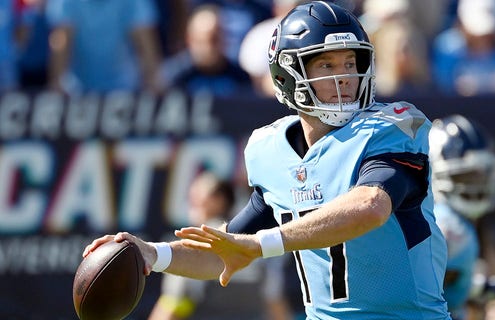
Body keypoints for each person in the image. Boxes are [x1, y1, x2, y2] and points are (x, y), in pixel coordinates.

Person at [83, 2, 451, 319]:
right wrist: (152, 254)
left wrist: (263, 244)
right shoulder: (271, 149)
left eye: (351, 63)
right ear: (287, 75)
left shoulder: (392, 127)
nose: (344, 79)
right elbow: (226, 250)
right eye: (326, 66)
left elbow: (371, 206)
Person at [148, 172, 267, 320]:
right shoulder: (256, 239)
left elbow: (174, 303)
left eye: (198, 194)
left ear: (219, 200)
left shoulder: (197, 242)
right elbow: (273, 299)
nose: (192, 199)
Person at [428, 114, 495, 319]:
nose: (475, 184)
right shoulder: (444, 225)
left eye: (480, 175)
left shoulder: (477, 229)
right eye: (465, 175)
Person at [46, 0, 163, 94]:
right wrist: (57, 83)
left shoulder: (134, 2)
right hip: (76, 90)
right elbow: (61, 41)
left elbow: (145, 44)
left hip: (124, 88)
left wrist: (153, 79)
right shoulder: (66, 2)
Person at [159, 4, 252, 96]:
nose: (210, 47)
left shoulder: (241, 77)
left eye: (216, 39)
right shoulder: (173, 76)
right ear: (189, 40)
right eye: (203, 41)